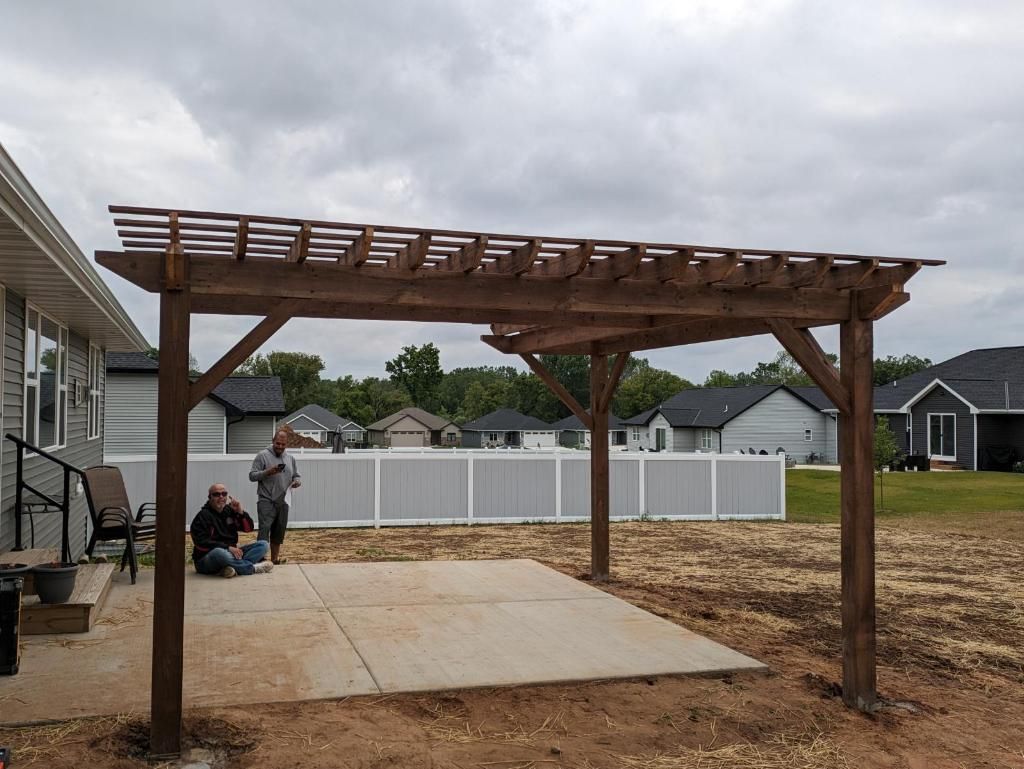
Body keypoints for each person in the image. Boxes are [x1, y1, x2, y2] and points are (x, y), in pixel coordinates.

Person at [190, 483, 273, 578]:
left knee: (263, 545)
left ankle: (230, 568)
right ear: (210, 497)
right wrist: (227, 548)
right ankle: (252, 568)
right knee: (219, 552)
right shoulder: (202, 516)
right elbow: (201, 543)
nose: (221, 497)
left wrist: (240, 512)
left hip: (232, 554)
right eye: (216, 494)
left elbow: (248, 529)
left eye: (224, 494)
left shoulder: (229, 510)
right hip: (206, 559)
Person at [249, 429, 301, 564]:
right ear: (273, 441)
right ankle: (260, 559)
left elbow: (296, 475)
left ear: (286, 444)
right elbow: (252, 476)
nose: (280, 447)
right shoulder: (262, 455)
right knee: (264, 530)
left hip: (284, 500)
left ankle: (274, 560)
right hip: (266, 500)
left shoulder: (290, 458)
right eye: (278, 443)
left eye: (283, 444)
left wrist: (297, 481)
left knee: (279, 531)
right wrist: (268, 472)